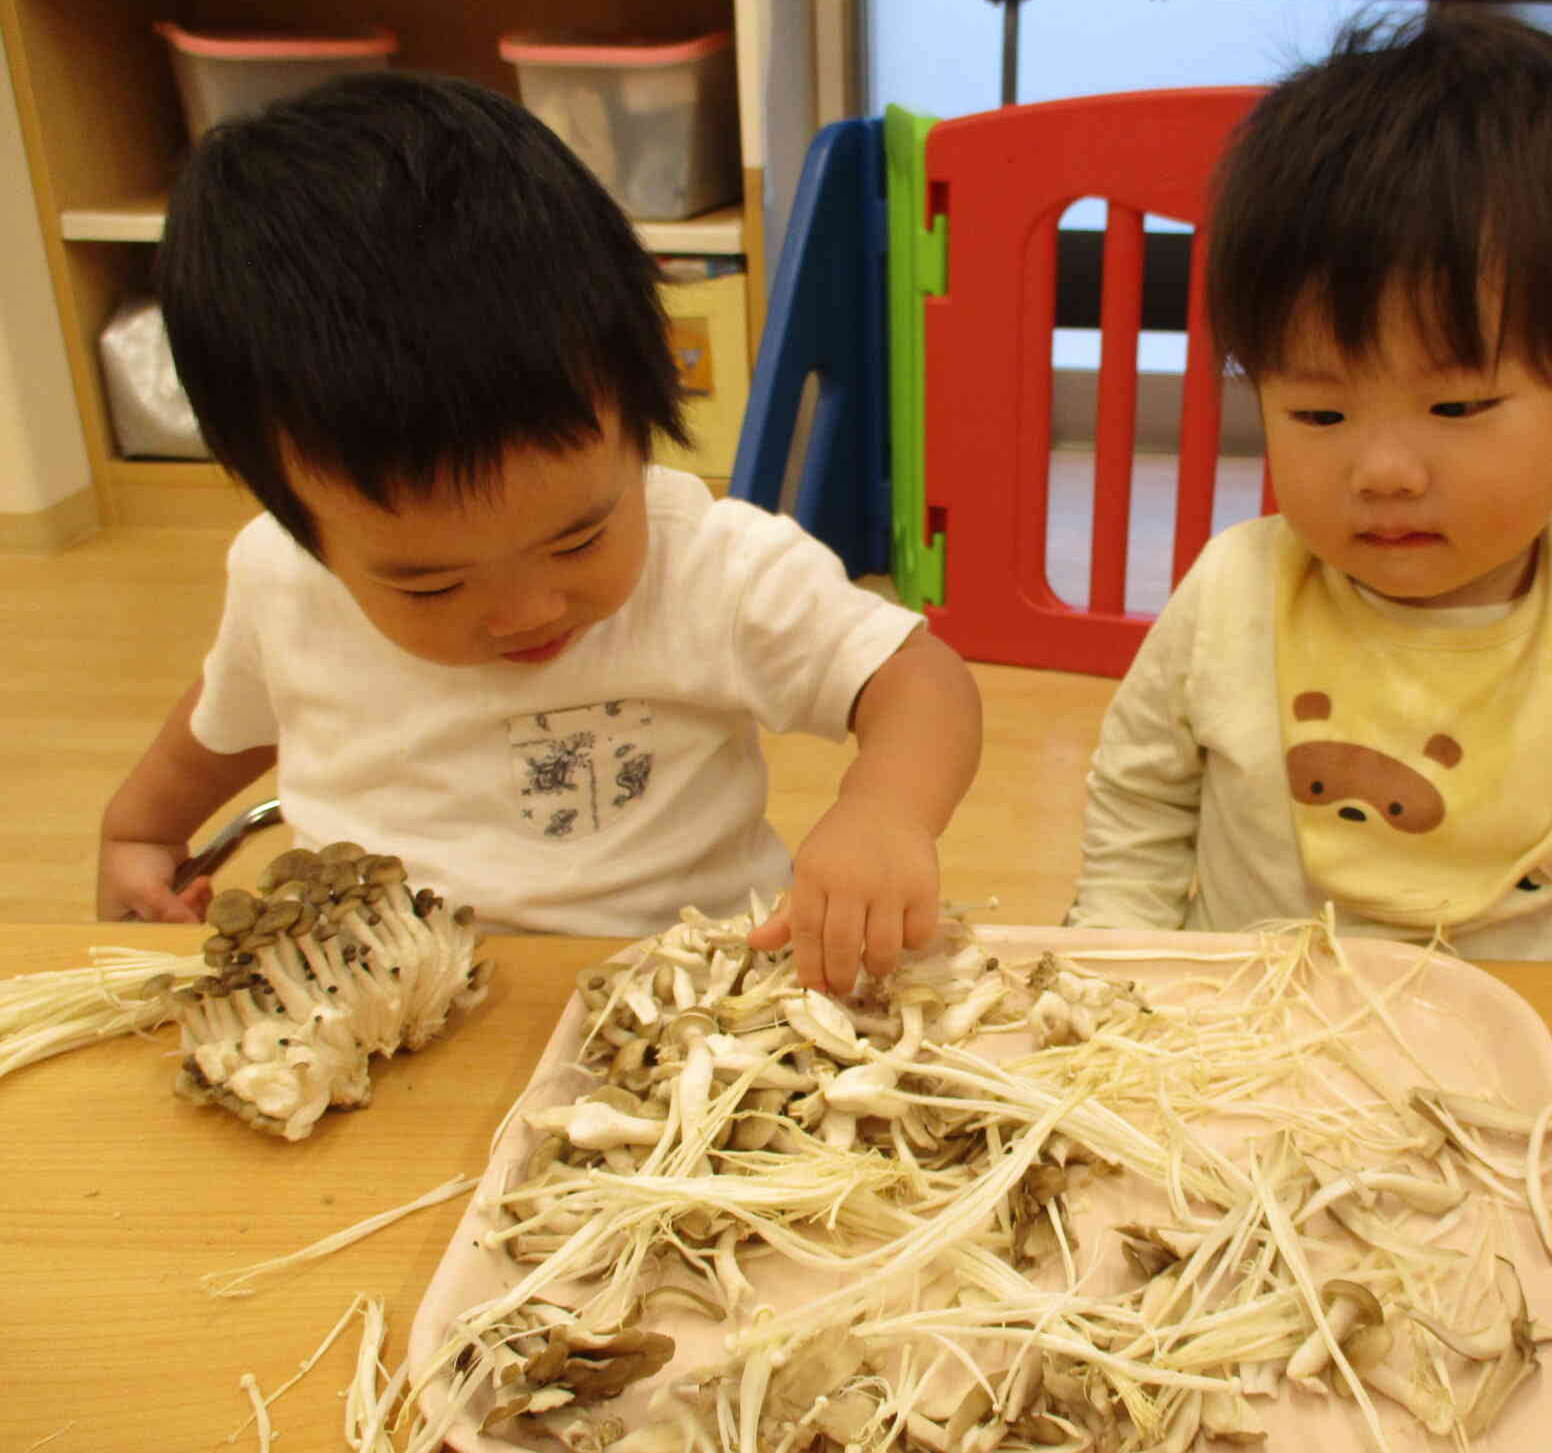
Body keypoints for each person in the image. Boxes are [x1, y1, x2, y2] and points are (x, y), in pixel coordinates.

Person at [97, 71, 982, 996]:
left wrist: (885, 811)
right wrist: (141, 831)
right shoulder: (282, 579)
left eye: (579, 540)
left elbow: (918, 680)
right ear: (298, 517)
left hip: (686, 999)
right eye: (433, 584)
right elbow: (234, 716)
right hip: (378, 997)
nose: (528, 611)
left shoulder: (710, 565)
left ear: (640, 421)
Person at [1068, 9, 1552, 965]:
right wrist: (1119, 955)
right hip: (1241, 1032)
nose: (1383, 472)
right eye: (1319, 414)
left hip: (1519, 1035)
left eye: (1458, 406)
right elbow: (1141, 798)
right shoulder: (1233, 592)